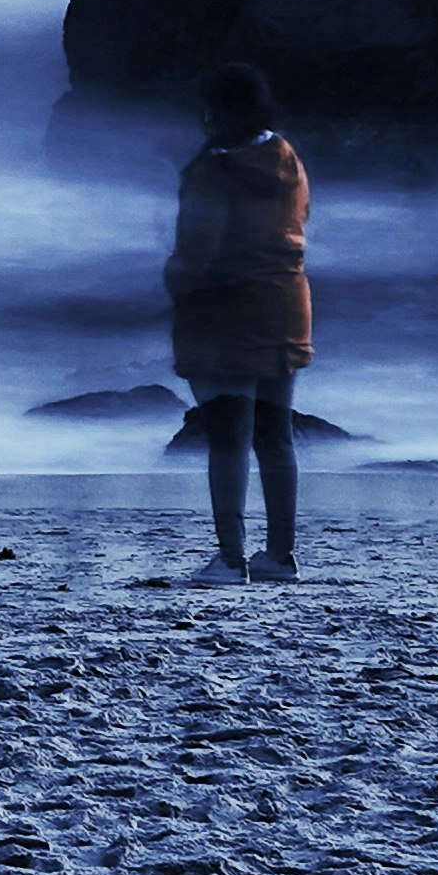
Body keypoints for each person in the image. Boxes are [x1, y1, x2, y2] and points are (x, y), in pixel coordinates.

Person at [166, 67, 312, 582]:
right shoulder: (287, 160)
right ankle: (280, 555)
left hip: (226, 312)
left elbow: (197, 255)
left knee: (228, 436)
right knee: (276, 434)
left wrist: (176, 287)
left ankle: (230, 557)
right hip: (287, 307)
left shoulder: (212, 173)